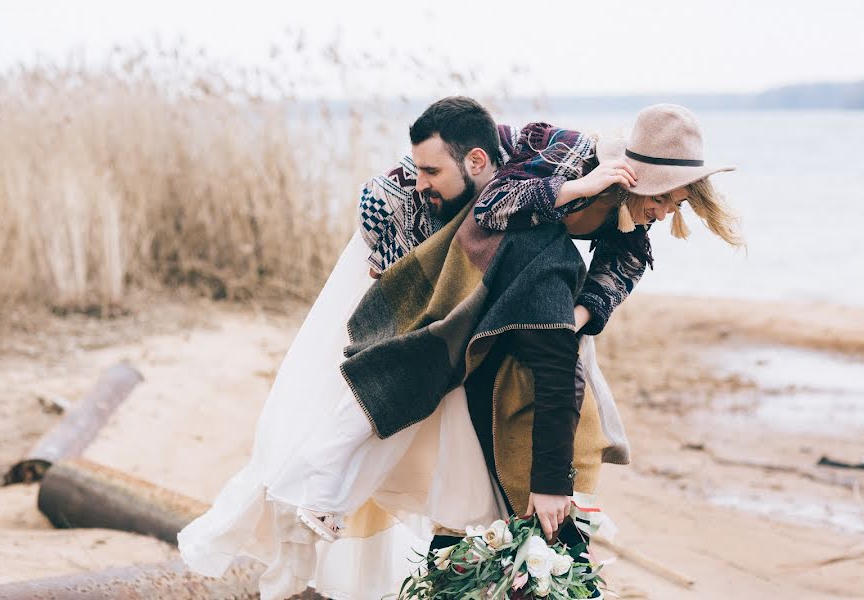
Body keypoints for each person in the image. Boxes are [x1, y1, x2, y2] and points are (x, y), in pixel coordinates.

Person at [177, 98, 742, 600]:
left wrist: (577, 315)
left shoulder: (623, 223)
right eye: (665, 199)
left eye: (678, 203)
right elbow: (493, 206)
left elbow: (622, 267)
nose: (668, 213)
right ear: (631, 178)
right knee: (406, 372)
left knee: (478, 433)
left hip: (508, 276)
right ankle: (320, 490)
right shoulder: (565, 155)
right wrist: (576, 192)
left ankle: (442, 542)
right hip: (445, 244)